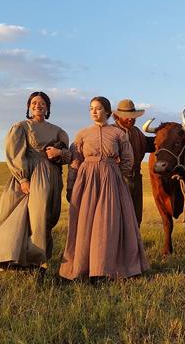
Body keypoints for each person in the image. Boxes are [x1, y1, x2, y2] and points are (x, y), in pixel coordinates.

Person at [59, 96, 148, 280]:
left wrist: (114, 173)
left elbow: (128, 159)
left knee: (107, 222)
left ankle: (104, 269)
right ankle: (83, 267)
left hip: (111, 180)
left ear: (107, 112)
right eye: (91, 108)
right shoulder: (82, 134)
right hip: (87, 181)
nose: (94, 111)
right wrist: (72, 186)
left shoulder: (118, 134)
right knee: (85, 223)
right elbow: (76, 161)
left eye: (98, 108)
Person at [0, 91, 71, 271]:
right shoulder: (21, 127)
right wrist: (23, 178)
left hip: (52, 176)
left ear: (48, 107)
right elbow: (15, 154)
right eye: (33, 103)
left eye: (42, 103)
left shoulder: (58, 131)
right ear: (28, 106)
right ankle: (14, 258)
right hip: (29, 175)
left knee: (47, 217)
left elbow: (67, 156)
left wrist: (59, 154)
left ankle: (40, 258)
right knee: (22, 215)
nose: (37, 106)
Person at [112, 98, 155, 225]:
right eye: (126, 116)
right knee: (118, 217)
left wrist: (168, 134)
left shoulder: (137, 132)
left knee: (136, 218)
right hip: (117, 179)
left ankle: (133, 244)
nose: (130, 119)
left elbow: (151, 144)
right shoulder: (111, 132)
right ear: (117, 116)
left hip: (136, 178)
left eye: (133, 116)